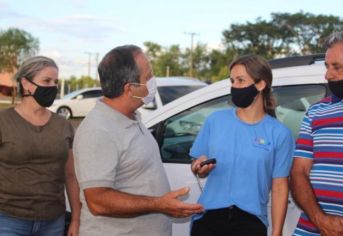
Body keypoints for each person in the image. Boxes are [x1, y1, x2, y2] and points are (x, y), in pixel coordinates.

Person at [73, 45, 204, 236]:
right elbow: (97, 201)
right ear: (130, 88)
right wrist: (158, 204)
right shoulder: (98, 130)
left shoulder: (131, 117)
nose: (153, 81)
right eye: (148, 77)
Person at [189, 54, 294, 236]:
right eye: (232, 81)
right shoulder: (215, 121)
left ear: (260, 84)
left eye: (240, 80)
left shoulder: (279, 133)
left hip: (251, 223)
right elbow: (197, 163)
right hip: (208, 219)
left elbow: (279, 187)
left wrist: (277, 233)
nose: (234, 87)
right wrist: (199, 167)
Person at [0, 56, 81, 235]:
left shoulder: (63, 125)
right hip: (8, 220)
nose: (53, 87)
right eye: (46, 80)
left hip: (53, 221)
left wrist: (75, 219)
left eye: (55, 82)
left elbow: (70, 176)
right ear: (26, 83)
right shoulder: (4, 121)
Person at [290, 30, 343, 236]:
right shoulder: (317, 111)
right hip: (310, 229)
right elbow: (298, 172)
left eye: (336, 67)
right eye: (327, 66)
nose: (328, 75)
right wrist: (321, 221)